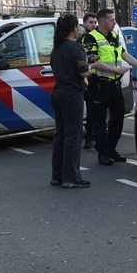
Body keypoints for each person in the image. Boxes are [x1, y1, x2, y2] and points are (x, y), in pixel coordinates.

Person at [82, 9, 137, 166]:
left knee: (118, 119)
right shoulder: (90, 38)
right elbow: (94, 62)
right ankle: (102, 152)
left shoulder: (113, 37)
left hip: (114, 84)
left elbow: (125, 55)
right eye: (111, 20)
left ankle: (111, 148)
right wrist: (116, 70)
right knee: (99, 120)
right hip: (99, 84)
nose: (114, 23)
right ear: (102, 22)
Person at [50, 13, 95, 188]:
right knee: (73, 136)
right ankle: (71, 177)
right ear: (74, 28)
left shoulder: (57, 48)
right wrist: (92, 65)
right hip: (71, 94)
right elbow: (83, 72)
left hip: (57, 92)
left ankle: (57, 175)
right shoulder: (75, 48)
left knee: (60, 135)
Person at [79, 12, 98, 150]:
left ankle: (90, 137)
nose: (93, 25)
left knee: (92, 110)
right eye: (91, 22)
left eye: (95, 22)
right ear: (84, 23)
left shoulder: (96, 37)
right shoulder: (80, 39)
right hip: (82, 78)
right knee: (80, 109)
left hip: (93, 78)